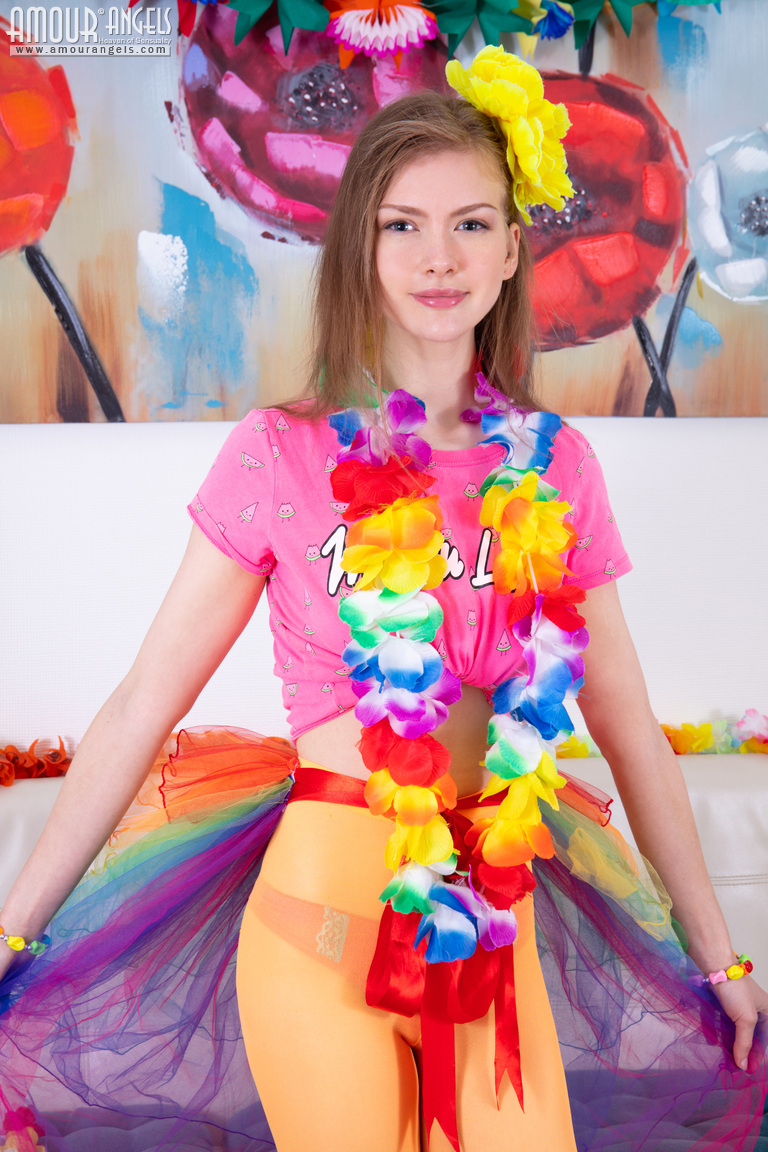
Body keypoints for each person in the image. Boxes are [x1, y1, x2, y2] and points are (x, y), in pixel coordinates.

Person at [1, 46, 766, 1152]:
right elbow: (139, 706)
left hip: (487, 928)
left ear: (512, 247)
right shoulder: (281, 451)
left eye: (470, 223)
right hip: (319, 936)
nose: (437, 256)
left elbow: (629, 731)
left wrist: (721, 958)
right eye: (402, 225)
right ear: (360, 246)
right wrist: (12, 931)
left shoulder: (557, 467)